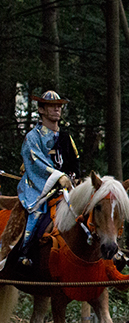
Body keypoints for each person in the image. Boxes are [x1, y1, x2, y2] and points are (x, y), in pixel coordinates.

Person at [0, 90, 80, 268]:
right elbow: (36, 162)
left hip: (66, 188)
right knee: (35, 213)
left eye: (59, 106)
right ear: (42, 110)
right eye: (52, 106)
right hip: (38, 188)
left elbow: (74, 162)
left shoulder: (66, 137)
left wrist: (73, 179)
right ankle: (23, 252)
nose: (57, 109)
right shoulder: (32, 137)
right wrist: (59, 177)